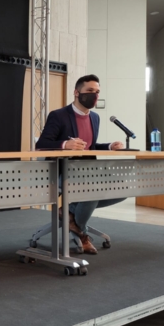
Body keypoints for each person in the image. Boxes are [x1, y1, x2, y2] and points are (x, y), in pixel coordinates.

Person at [35, 74, 126, 254]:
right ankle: (81, 232)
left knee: (122, 190)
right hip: (62, 173)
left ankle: (70, 213)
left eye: (97, 92)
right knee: (91, 192)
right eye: (90, 91)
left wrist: (109, 146)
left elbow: (89, 146)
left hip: (89, 172)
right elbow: (41, 144)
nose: (95, 95)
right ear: (77, 93)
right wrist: (64, 145)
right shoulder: (58, 116)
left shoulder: (95, 118)